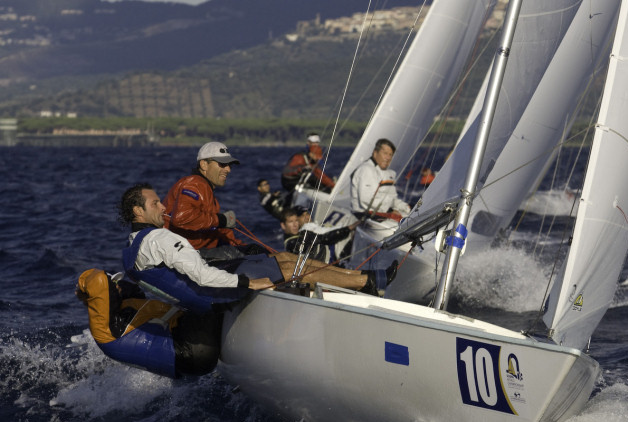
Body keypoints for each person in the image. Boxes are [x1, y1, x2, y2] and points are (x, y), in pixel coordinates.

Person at [121, 184, 397, 300]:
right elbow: (201, 274)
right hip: (213, 290)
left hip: (207, 282)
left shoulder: (137, 242)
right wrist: (248, 283)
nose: (163, 207)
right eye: (155, 203)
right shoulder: (162, 237)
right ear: (138, 211)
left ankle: (365, 278)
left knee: (284, 259)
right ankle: (364, 283)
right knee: (288, 270)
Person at [76, 268, 222, 378]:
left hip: (191, 357)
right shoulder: (105, 329)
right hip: (192, 350)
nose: (117, 285)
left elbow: (135, 293)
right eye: (113, 283)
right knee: (212, 299)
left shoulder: (127, 309)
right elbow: (98, 282)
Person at [163, 141, 248, 254]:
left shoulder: (205, 190)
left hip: (192, 250)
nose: (228, 169)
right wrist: (221, 220)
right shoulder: (194, 184)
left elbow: (213, 227)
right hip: (180, 253)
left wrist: (241, 247)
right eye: (222, 164)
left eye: (229, 165)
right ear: (204, 165)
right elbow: (180, 218)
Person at [350, 138, 411, 221]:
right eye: (385, 153)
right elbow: (366, 201)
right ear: (375, 153)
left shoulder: (389, 173)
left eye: (390, 155)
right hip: (364, 217)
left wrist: (405, 207)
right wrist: (391, 210)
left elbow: (392, 198)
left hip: (381, 214)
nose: (388, 157)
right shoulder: (366, 170)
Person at [281, 207, 357, 264]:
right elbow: (324, 238)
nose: (295, 225)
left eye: (296, 221)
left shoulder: (303, 233)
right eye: (291, 222)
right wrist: (349, 228)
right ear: (283, 225)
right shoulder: (291, 243)